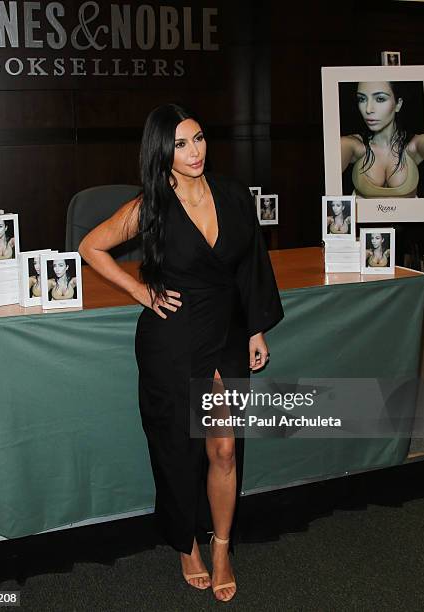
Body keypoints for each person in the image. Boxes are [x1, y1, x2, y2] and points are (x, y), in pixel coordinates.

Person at [79, 104, 283, 602]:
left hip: (227, 333)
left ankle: (221, 546)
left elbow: (250, 263)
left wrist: (256, 329)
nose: (194, 152)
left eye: (198, 139)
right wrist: (140, 291)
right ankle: (185, 543)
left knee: (224, 447)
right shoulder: (150, 205)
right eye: (181, 144)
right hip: (172, 339)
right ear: (162, 151)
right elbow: (91, 247)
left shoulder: (233, 194)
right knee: (175, 450)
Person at [341, 81, 424, 198]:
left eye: (380, 99)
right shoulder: (352, 145)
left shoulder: (415, 145)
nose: (368, 109)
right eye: (362, 99)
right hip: (364, 216)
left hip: (410, 216)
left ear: (398, 104)